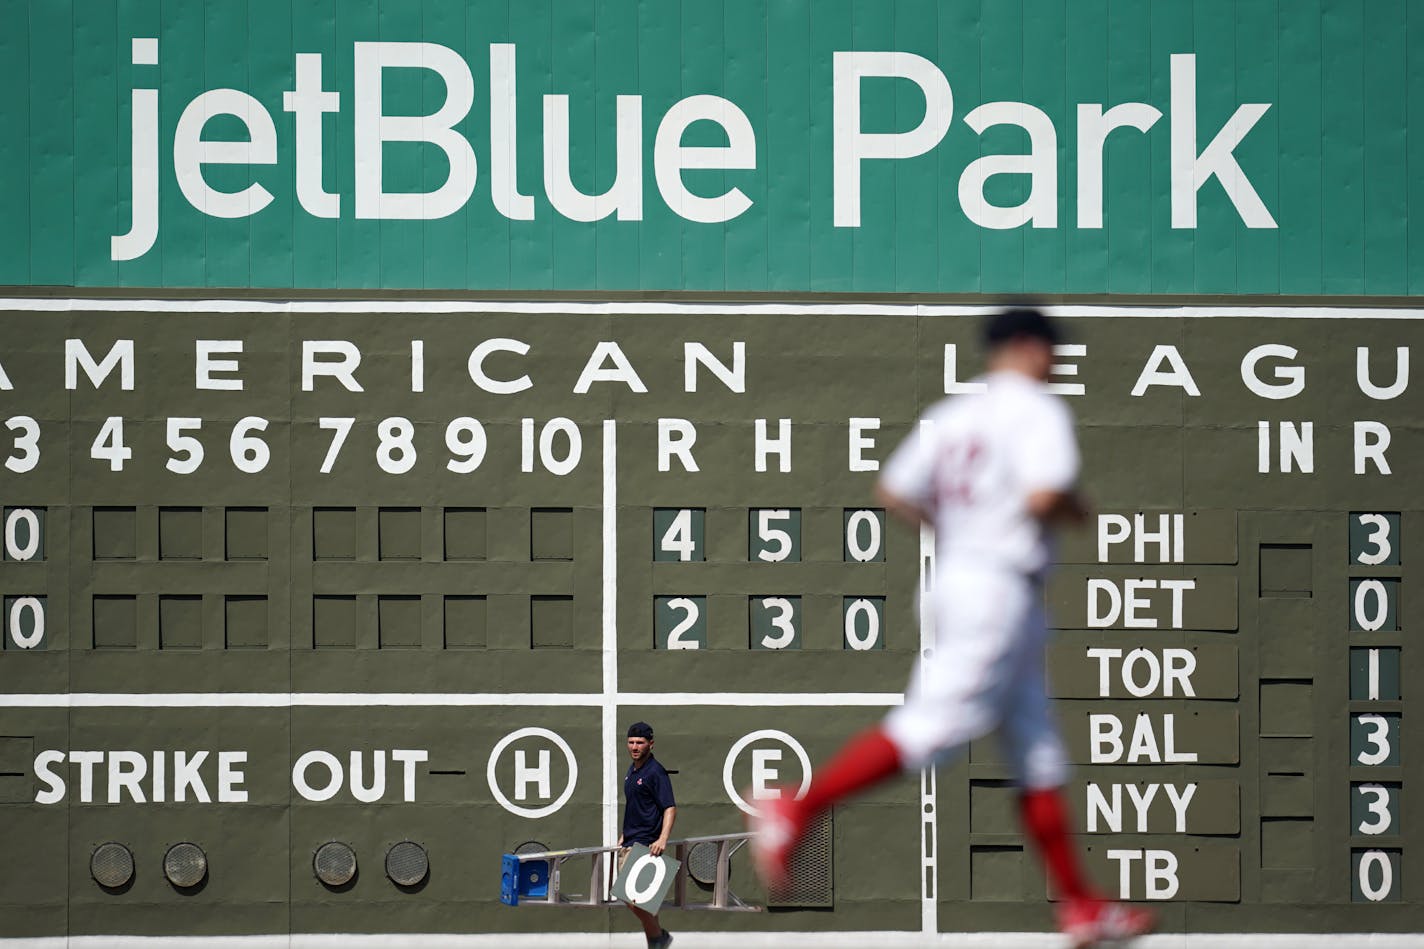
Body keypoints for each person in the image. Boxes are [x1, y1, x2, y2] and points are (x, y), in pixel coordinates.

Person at [749, 308, 1154, 948]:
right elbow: (1047, 495)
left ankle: (1079, 905)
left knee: (1038, 753)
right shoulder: (1037, 409)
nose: (1056, 359)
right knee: (929, 730)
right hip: (998, 588)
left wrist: (960, 530)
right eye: (1050, 347)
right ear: (1024, 345)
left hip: (963, 576)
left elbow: (895, 489)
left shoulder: (954, 414)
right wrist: (1076, 508)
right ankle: (798, 806)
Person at [618, 721, 676, 949]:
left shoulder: (655, 772)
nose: (635, 747)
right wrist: (624, 833)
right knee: (631, 899)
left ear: (650, 744)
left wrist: (662, 839)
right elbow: (636, 805)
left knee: (636, 899)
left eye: (640, 743)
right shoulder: (631, 771)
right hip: (630, 841)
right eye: (631, 742)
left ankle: (657, 940)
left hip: (646, 845)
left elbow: (669, 807)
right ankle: (658, 938)